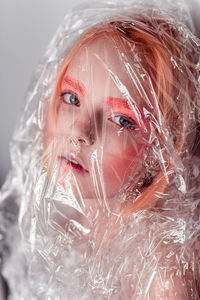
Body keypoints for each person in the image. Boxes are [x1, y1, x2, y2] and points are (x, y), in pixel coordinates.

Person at [0, 1, 200, 299]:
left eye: (122, 119)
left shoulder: (163, 265)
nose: (80, 132)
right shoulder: (65, 225)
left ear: (164, 151)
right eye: (71, 98)